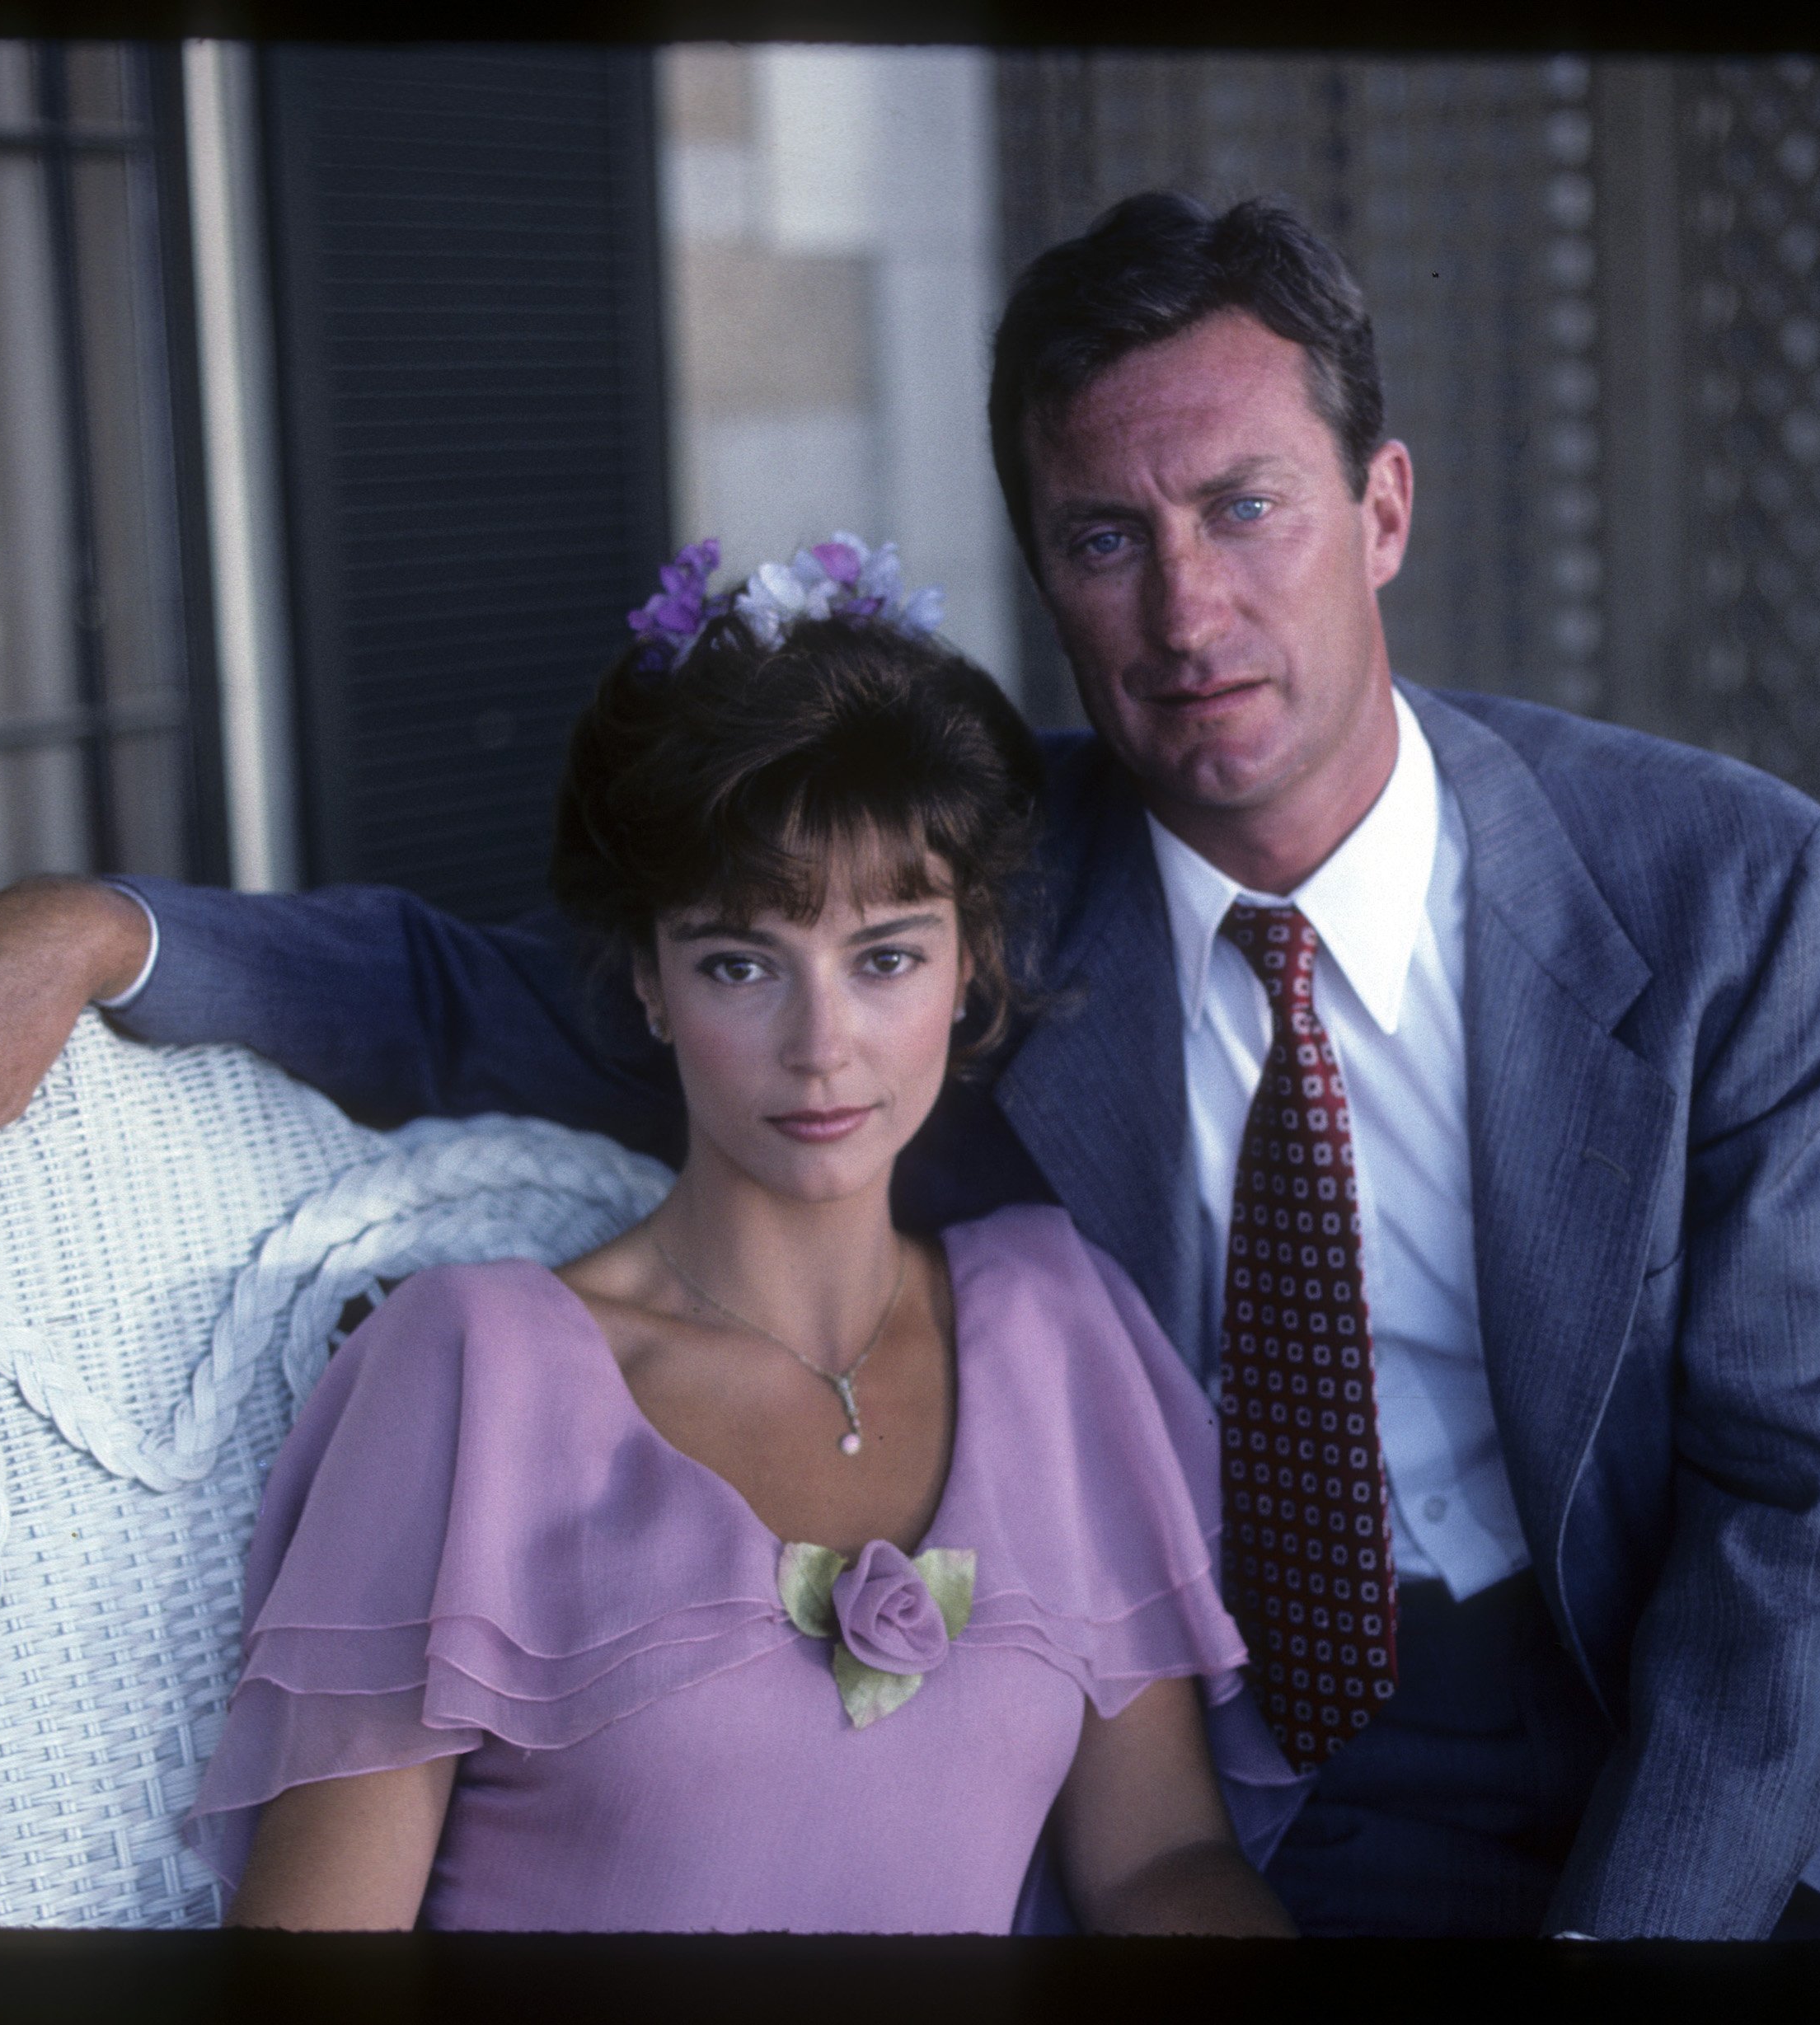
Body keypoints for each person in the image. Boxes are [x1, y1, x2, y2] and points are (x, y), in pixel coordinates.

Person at [0, 194, 1820, 1941]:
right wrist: (100, 932)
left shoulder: (1728, 893)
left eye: (1246, 508)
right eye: (1105, 537)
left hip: (1719, 1782)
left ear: (1381, 509)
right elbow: (475, 984)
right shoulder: (954, 897)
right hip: (1272, 1802)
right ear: (1043, 572)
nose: (1186, 607)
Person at [191, 544, 1296, 1934]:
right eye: (740, 963)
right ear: (650, 979)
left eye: (886, 955)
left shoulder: (1056, 1324)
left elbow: (1157, 1868)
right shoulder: (477, 1373)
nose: (820, 1046)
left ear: (970, 967)